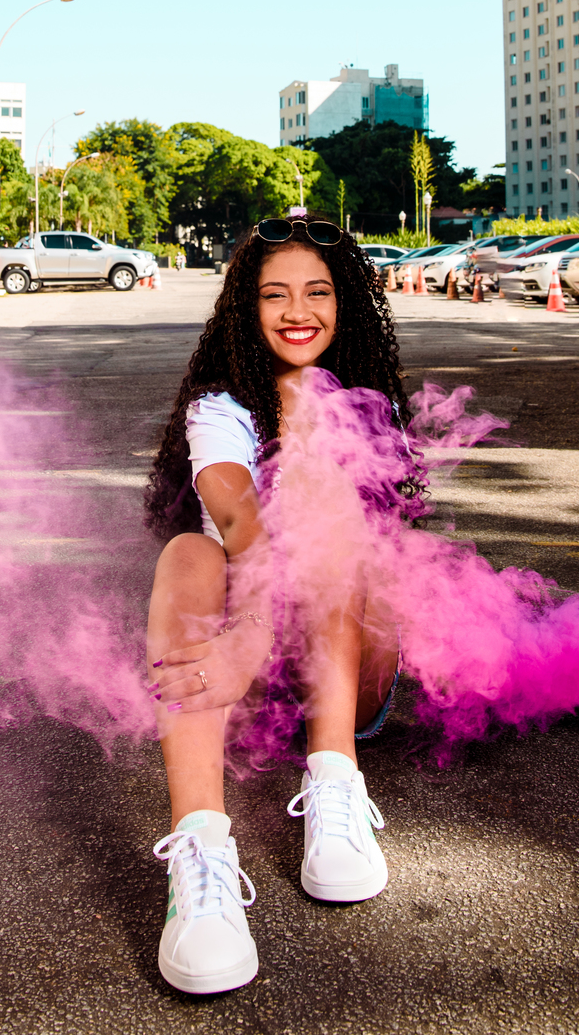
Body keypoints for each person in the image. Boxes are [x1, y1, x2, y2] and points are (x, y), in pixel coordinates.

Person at [142, 211, 409, 995]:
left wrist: (261, 622)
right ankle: (200, 858)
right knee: (189, 551)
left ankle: (334, 781)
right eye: (275, 295)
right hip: (242, 677)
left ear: (345, 304)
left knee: (330, 508)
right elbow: (230, 512)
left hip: (345, 663)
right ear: (246, 310)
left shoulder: (364, 405)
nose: (298, 312)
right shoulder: (220, 408)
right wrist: (254, 622)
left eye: (318, 292)